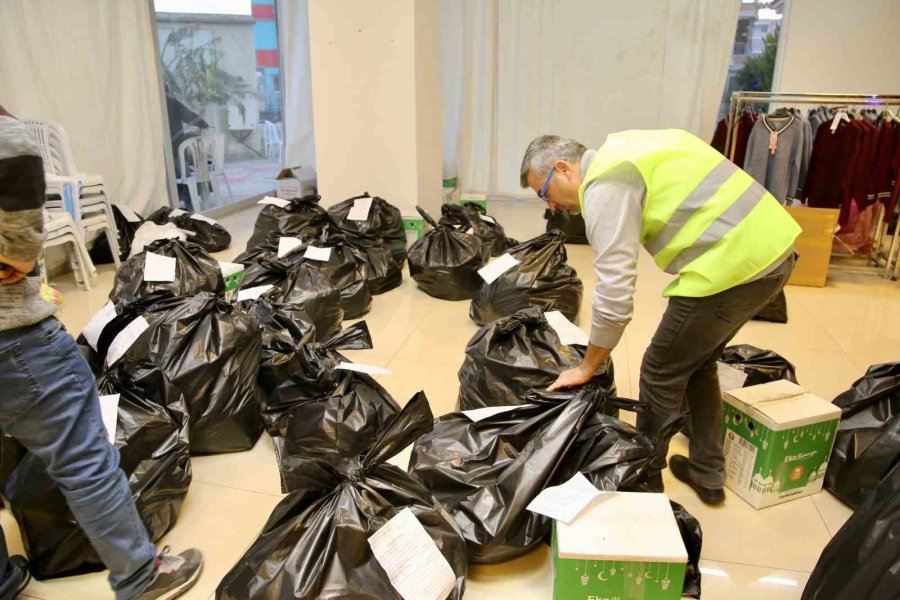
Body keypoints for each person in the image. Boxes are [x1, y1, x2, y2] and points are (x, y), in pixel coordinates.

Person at [520, 130, 800, 505]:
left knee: (659, 371)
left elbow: (615, 290)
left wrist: (588, 365)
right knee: (697, 363)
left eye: (544, 193)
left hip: (730, 268)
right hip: (772, 254)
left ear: (563, 168)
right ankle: (707, 472)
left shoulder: (605, 183)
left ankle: (642, 485)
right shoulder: (628, 147)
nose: (551, 206)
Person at [0, 107, 203, 598]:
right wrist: (15, 257)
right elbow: (18, 237)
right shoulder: (5, 136)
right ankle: (140, 575)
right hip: (14, 340)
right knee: (83, 459)